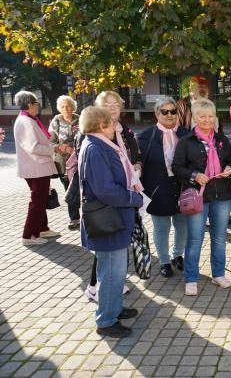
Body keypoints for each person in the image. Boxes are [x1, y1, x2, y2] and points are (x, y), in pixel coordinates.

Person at [78, 106, 142, 338]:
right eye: (112, 122)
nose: (116, 126)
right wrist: (134, 198)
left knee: (116, 271)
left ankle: (114, 309)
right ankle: (105, 320)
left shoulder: (99, 144)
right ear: (101, 125)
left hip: (114, 219)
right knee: (110, 273)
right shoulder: (95, 149)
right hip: (108, 220)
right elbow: (106, 190)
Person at [172, 99, 231, 295]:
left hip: (222, 194)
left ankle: (218, 274)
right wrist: (194, 176)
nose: (207, 120)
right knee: (195, 239)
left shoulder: (222, 140)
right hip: (197, 197)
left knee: (219, 237)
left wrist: (228, 168)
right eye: (202, 116)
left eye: (210, 116)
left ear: (215, 117)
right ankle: (191, 278)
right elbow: (176, 167)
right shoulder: (186, 141)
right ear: (194, 117)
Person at [137, 97, 189, 278]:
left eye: (172, 111)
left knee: (182, 224)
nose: (169, 115)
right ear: (157, 114)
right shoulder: (146, 136)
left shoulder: (186, 134)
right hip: (158, 186)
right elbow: (138, 163)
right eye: (164, 111)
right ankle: (164, 261)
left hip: (182, 185)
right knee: (161, 225)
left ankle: (178, 255)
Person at [14, 91, 69, 245]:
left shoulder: (28, 120)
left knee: (41, 199)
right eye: (36, 103)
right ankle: (29, 235)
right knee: (37, 201)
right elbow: (34, 147)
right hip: (35, 167)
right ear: (29, 104)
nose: (38, 105)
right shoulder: (26, 122)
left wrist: (56, 147)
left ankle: (42, 228)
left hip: (36, 167)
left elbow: (41, 142)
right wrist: (55, 149)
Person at [49, 95, 80, 230]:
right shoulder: (56, 121)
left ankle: (87, 215)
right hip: (63, 162)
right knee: (69, 189)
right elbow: (50, 140)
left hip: (80, 160)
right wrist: (65, 148)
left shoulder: (81, 119)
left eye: (68, 106)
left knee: (84, 188)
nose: (66, 109)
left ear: (73, 107)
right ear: (59, 108)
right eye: (62, 106)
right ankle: (74, 218)